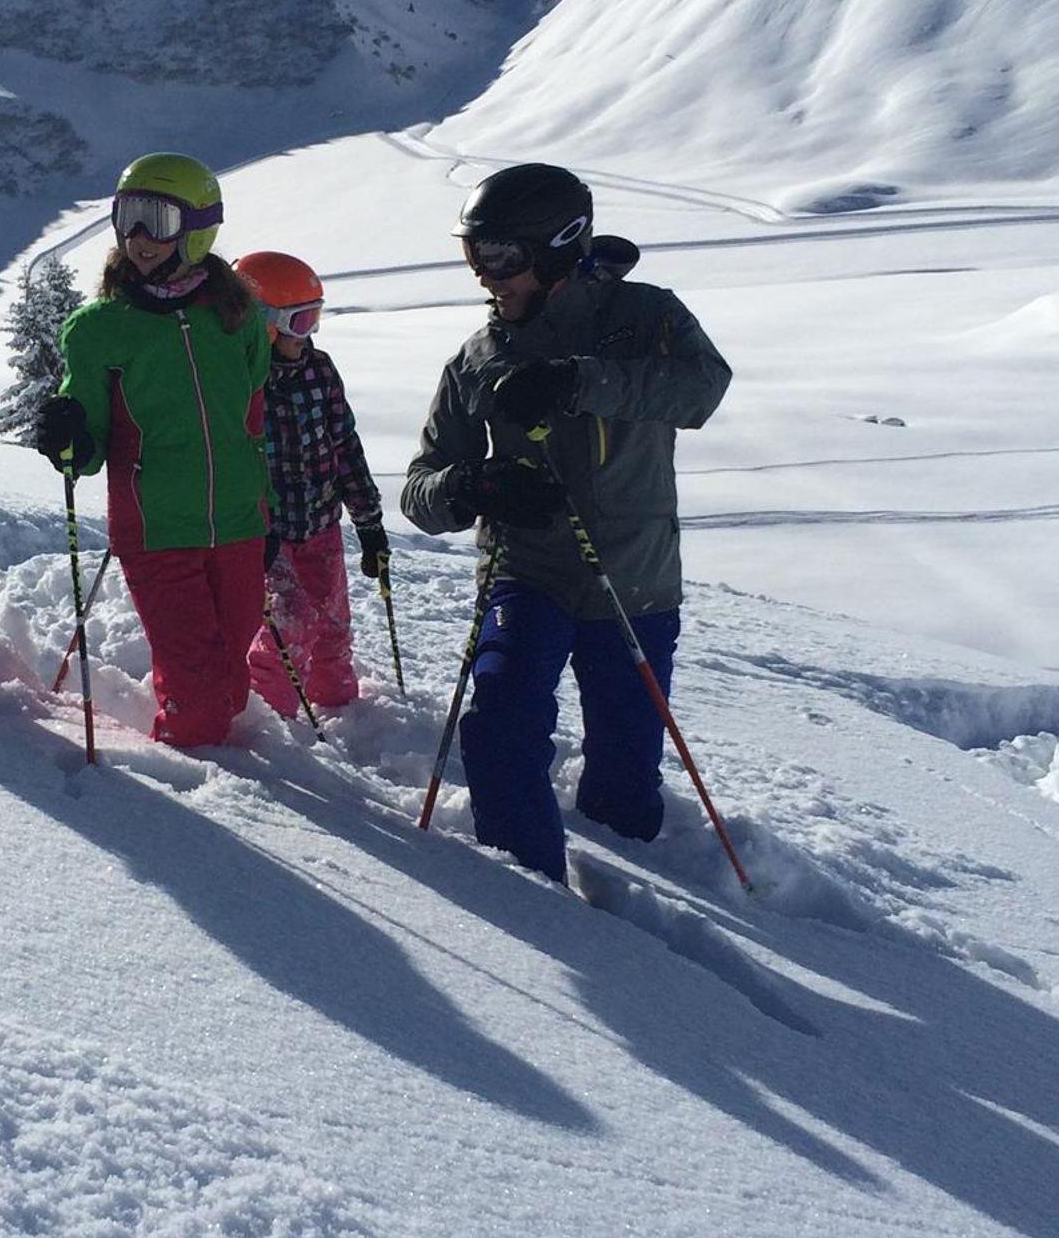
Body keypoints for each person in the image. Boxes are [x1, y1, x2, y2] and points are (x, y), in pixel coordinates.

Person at [399, 164, 731, 881]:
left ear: (557, 246)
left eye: (500, 256)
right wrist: (473, 485)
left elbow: (703, 389)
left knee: (626, 768)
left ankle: (636, 890)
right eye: (475, 254)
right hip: (528, 573)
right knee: (500, 728)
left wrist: (580, 380)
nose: (485, 275)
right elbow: (420, 489)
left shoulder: (646, 317)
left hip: (636, 578)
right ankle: (529, 894)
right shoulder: (477, 360)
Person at [34, 153, 271, 748]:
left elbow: (251, 415)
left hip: (240, 523)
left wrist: (266, 502)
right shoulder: (100, 328)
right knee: (198, 697)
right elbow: (87, 449)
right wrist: (68, 435)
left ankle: (224, 760)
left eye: (157, 220)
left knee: (230, 677)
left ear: (198, 228)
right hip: (157, 528)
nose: (138, 237)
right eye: (128, 217)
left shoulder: (237, 315)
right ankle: (192, 779)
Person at [236, 250, 386, 715]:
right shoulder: (241, 383)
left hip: (321, 525)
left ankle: (339, 705)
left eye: (315, 319)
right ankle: (273, 717)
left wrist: (369, 522)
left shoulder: (319, 370)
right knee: (289, 621)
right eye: (300, 322)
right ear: (264, 324)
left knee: (333, 621)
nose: (309, 335)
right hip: (269, 534)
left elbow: (345, 445)